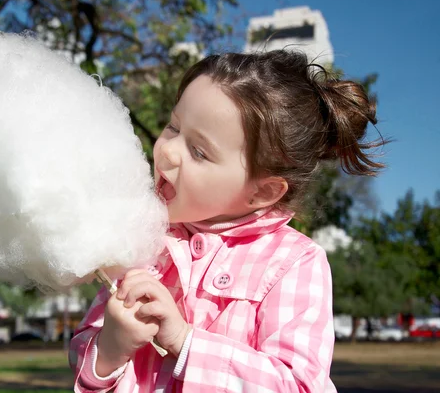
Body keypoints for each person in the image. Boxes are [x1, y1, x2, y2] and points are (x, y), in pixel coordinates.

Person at [69, 50, 385, 392]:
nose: (168, 150)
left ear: (262, 192)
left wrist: (185, 342)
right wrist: (110, 349)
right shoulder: (139, 241)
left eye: (199, 151)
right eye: (174, 126)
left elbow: (298, 384)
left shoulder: (294, 262)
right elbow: (83, 360)